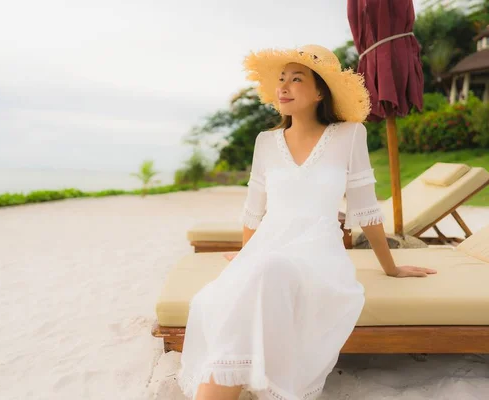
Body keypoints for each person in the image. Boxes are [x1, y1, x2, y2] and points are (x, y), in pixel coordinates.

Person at [176, 44, 437, 400]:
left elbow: (367, 211)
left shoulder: (349, 135)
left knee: (271, 271)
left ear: (319, 92)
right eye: (281, 79)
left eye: (296, 79)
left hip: (319, 251)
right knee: (220, 295)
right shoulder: (265, 142)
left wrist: (390, 267)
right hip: (268, 248)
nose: (283, 86)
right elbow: (254, 212)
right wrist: (246, 256)